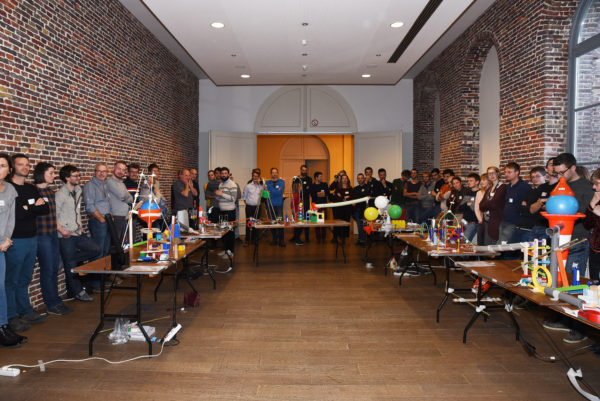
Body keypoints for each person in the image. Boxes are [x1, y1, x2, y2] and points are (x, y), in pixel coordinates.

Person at [543, 153, 594, 344]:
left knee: (574, 284)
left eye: (562, 172)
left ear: (573, 167)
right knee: (559, 282)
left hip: (578, 241)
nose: (559, 177)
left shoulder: (587, 187)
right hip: (559, 242)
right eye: (556, 173)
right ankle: (564, 319)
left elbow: (587, 215)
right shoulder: (561, 185)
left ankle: (579, 328)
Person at [5, 154, 49, 333]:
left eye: (27, 165)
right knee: (11, 280)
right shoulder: (7, 188)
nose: (25, 167)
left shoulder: (31, 188)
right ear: (12, 167)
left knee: (24, 278)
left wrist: (27, 208)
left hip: (32, 238)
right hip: (15, 240)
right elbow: (17, 214)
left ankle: (25, 311)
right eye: (20, 164)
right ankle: (10, 316)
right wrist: (33, 208)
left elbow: (44, 208)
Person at [33, 162, 72, 316]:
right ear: (41, 173)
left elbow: (53, 215)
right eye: (51, 172)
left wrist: (60, 229)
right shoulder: (33, 191)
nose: (53, 176)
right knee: (48, 268)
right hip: (41, 235)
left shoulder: (50, 192)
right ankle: (51, 303)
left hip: (52, 234)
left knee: (54, 268)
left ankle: (56, 300)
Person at [56, 165, 97, 303]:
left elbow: (76, 211)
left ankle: (69, 259)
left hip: (77, 232)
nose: (78, 178)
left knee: (95, 249)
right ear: (67, 178)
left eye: (78, 175)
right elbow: (53, 215)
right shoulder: (60, 194)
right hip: (65, 234)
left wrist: (80, 225)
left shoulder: (78, 190)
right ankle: (78, 292)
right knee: (71, 266)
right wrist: (61, 230)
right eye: (75, 176)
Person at [0, 153, 26, 347]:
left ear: (9, 169)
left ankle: (3, 326)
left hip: (2, 245)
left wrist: (6, 239)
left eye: (2, 166)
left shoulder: (9, 189)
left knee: (0, 288)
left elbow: (11, 218)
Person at [498, 162, 531, 244]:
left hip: (514, 222)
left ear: (517, 172)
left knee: (502, 245)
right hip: (504, 220)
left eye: (509, 172)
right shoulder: (508, 187)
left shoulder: (524, 187)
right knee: (502, 244)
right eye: (505, 172)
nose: (506, 174)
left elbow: (526, 205)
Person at [83, 163, 111, 256]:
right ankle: (96, 266)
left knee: (106, 250)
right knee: (98, 251)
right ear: (94, 172)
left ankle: (104, 266)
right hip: (98, 221)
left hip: (107, 220)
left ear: (107, 173)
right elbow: (90, 205)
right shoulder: (90, 185)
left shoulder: (105, 185)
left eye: (104, 171)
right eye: (99, 171)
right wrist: (101, 220)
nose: (101, 173)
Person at [514, 167, 549, 243]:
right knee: (511, 248)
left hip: (533, 229)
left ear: (545, 177)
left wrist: (528, 207)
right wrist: (531, 207)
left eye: (537, 176)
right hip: (521, 226)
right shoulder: (529, 191)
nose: (535, 179)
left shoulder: (547, 191)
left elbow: (537, 211)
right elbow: (519, 208)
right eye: (532, 177)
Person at [215, 167, 239, 269]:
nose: (224, 175)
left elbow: (233, 198)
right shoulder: (221, 184)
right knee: (223, 232)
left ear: (228, 174)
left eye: (225, 173)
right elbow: (219, 197)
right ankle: (225, 250)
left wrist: (222, 194)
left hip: (230, 211)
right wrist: (218, 195)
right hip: (222, 211)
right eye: (222, 173)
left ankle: (230, 251)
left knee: (230, 232)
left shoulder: (232, 184)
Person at [105, 161, 133, 246]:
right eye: (119, 169)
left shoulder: (121, 183)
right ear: (114, 168)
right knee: (115, 244)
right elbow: (122, 194)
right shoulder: (109, 181)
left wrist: (125, 197)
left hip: (123, 216)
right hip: (116, 216)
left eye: (123, 170)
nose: (121, 171)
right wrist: (126, 195)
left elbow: (131, 199)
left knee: (121, 243)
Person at [478, 166, 506, 245]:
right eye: (489, 174)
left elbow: (494, 204)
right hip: (486, 221)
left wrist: (488, 203)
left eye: (493, 173)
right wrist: (489, 202)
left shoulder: (502, 187)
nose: (491, 175)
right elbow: (481, 206)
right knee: (486, 245)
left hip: (496, 221)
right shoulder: (489, 189)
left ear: (497, 173)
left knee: (493, 245)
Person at [585, 168, 600, 281]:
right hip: (595, 249)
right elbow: (587, 224)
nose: (594, 187)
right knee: (594, 284)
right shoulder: (597, 200)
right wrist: (592, 204)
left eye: (597, 183)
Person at [265, 168, 285, 247]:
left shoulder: (282, 182)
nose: (274, 174)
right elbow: (265, 194)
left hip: (279, 205)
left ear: (277, 173)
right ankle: (274, 239)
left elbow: (279, 193)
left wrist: (270, 190)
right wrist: (275, 190)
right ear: (271, 174)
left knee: (280, 222)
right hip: (270, 205)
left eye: (275, 172)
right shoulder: (267, 182)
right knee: (272, 223)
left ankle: (281, 240)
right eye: (273, 173)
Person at [330, 174, 353, 242]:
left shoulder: (350, 188)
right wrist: (345, 197)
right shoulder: (338, 188)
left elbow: (352, 197)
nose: (344, 180)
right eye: (343, 178)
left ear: (347, 180)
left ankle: (344, 238)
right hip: (339, 210)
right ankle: (336, 237)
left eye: (346, 178)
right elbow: (336, 198)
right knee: (338, 223)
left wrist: (341, 197)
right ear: (341, 180)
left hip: (347, 209)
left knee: (346, 223)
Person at [458, 173, 480, 242]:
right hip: (464, 221)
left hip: (473, 223)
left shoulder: (480, 193)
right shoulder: (467, 192)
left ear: (477, 182)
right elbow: (460, 208)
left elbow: (476, 209)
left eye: (471, 181)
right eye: (468, 181)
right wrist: (467, 204)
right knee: (457, 240)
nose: (469, 182)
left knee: (465, 241)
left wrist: (469, 205)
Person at [243, 170, 262, 246]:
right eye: (254, 176)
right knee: (248, 223)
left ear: (259, 177)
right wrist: (249, 204)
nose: (255, 178)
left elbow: (264, 195)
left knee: (256, 224)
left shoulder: (261, 187)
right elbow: (244, 197)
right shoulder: (248, 186)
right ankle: (247, 240)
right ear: (252, 176)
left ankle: (254, 239)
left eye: (257, 176)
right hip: (249, 208)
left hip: (257, 208)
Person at [311, 171, 329, 243]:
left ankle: (324, 238)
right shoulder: (312, 186)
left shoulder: (324, 184)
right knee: (316, 222)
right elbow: (313, 195)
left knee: (323, 222)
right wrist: (320, 194)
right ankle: (318, 239)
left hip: (323, 206)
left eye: (322, 176)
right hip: (315, 207)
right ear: (316, 177)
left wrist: (319, 194)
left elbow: (327, 193)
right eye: (320, 176)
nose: (321, 178)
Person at [351, 173, 369, 245]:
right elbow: (353, 199)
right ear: (357, 179)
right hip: (357, 210)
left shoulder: (367, 187)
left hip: (365, 209)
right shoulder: (355, 189)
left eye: (361, 178)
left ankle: (363, 240)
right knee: (359, 225)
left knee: (364, 225)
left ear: (364, 179)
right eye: (358, 178)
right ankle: (361, 239)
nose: (360, 180)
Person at [296, 165, 312, 243]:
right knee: (299, 218)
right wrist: (304, 188)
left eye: (305, 170)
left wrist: (303, 189)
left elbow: (309, 190)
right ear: (300, 170)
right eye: (303, 170)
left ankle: (307, 237)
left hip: (306, 201)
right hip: (298, 200)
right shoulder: (297, 179)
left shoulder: (309, 179)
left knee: (306, 218)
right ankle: (296, 236)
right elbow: (295, 189)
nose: (304, 171)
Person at [474, 174, 491, 244]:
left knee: (488, 243)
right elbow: (476, 208)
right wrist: (480, 220)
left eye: (484, 180)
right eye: (481, 180)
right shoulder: (479, 193)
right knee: (480, 242)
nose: (481, 182)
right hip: (481, 222)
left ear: (489, 181)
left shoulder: (493, 192)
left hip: (491, 222)